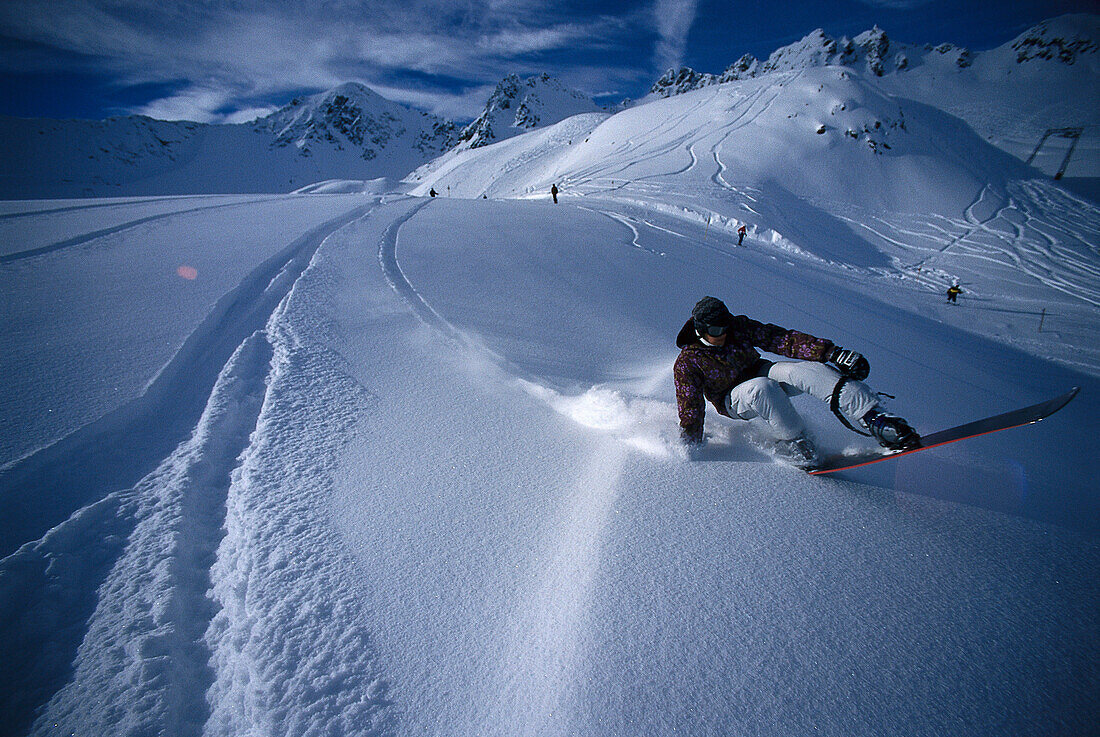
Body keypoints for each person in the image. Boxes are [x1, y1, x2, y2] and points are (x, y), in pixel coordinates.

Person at [674, 296, 919, 468]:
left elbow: (782, 340)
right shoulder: (688, 361)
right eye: (717, 330)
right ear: (700, 330)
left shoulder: (737, 327)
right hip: (732, 399)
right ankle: (796, 442)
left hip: (759, 369)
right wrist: (690, 443)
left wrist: (832, 353)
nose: (724, 334)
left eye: (726, 326)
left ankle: (873, 417)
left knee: (808, 371)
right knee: (763, 389)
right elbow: (690, 406)